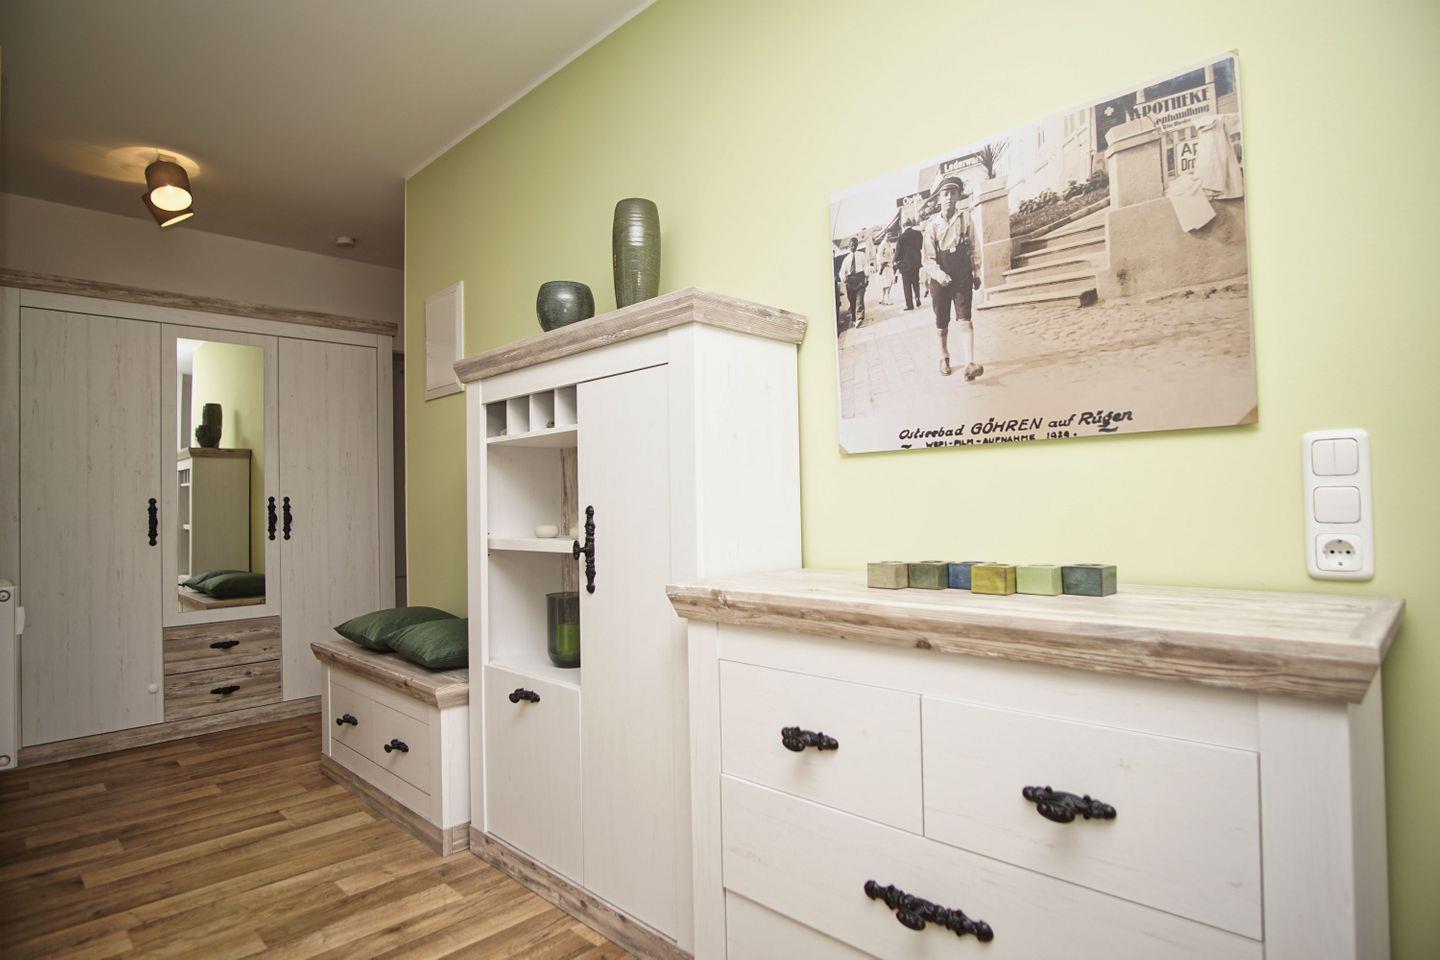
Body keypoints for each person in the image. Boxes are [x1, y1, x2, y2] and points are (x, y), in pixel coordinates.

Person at [921, 176, 982, 379]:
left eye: (952, 193)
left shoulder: (965, 219)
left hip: (962, 274)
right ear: (939, 198)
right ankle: (944, 356)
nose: (949, 198)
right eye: (945, 194)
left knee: (965, 317)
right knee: (942, 319)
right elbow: (927, 259)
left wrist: (976, 272)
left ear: (958, 196)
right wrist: (939, 275)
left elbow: (974, 247)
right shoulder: (932, 225)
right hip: (940, 276)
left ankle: (969, 363)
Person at [838, 237, 869, 329]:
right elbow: (841, 272)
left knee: (859, 300)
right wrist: (844, 278)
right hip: (850, 281)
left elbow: (866, 267)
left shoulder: (862, 255)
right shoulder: (846, 259)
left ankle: (860, 318)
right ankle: (854, 319)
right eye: (851, 245)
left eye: (855, 245)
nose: (853, 247)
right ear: (849, 246)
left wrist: (867, 278)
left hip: (860, 279)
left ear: (857, 245)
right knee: (852, 301)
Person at [895, 217, 923, 310]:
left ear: (904, 226)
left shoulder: (901, 237)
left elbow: (898, 253)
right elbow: (921, 246)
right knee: (916, 282)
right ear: (911, 224)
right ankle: (917, 297)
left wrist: (895, 261)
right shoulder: (918, 234)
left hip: (905, 265)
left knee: (907, 286)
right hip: (916, 263)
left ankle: (910, 305)